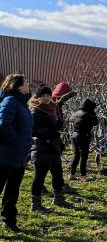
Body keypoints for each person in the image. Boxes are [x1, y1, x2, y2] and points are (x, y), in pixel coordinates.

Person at [0, 73, 33, 232]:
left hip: (18, 155)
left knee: (13, 190)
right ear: (18, 85)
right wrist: (17, 142)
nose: (28, 84)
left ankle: (9, 221)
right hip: (5, 155)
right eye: (26, 82)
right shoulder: (10, 100)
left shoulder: (22, 104)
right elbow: (3, 124)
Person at [29, 85, 69, 212]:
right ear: (38, 98)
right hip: (41, 147)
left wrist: (58, 125)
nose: (46, 98)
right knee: (39, 176)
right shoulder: (35, 111)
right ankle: (35, 204)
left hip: (53, 146)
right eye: (43, 96)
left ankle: (58, 198)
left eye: (48, 95)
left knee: (57, 173)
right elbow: (33, 130)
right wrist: (50, 131)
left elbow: (54, 126)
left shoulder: (52, 108)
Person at [70, 98, 98, 181]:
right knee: (83, 157)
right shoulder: (88, 114)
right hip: (84, 136)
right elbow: (95, 123)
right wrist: (93, 113)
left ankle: (72, 174)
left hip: (74, 136)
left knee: (76, 156)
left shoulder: (76, 113)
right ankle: (83, 176)